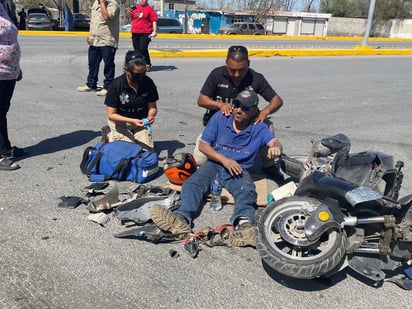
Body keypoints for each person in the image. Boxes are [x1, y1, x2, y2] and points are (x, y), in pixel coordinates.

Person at [150, 90, 283, 247]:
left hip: (238, 169)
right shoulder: (220, 118)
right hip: (215, 163)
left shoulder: (258, 127)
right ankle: (181, 219)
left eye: (245, 108)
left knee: (246, 190)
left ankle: (245, 226)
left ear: (254, 111)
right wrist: (224, 160)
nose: (239, 110)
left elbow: (274, 142)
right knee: (192, 184)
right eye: (237, 105)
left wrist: (275, 148)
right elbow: (203, 145)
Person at [194, 45, 284, 182]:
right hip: (221, 124)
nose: (236, 74)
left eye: (241, 70)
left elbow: (277, 100)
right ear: (226, 63)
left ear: (248, 64)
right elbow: (201, 100)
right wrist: (219, 105)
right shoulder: (217, 75)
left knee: (267, 127)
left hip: (247, 122)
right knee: (200, 159)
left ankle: (268, 165)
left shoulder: (256, 78)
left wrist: (265, 112)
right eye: (232, 70)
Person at [104, 50, 158, 151]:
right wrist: (132, 121)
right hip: (121, 122)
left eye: (143, 73)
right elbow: (111, 114)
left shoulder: (148, 83)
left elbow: (153, 107)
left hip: (140, 122)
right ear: (127, 71)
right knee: (128, 151)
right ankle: (109, 134)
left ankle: (133, 137)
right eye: (137, 75)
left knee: (146, 153)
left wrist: (150, 116)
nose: (141, 77)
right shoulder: (116, 85)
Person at [77, 0, 119, 96]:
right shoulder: (96, 3)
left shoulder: (113, 4)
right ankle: (91, 84)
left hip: (107, 40)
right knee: (92, 63)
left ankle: (108, 87)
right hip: (95, 40)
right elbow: (94, 21)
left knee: (108, 65)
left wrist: (102, 3)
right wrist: (90, 35)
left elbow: (106, 17)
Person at [0, 3, 24, 170]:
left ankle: (5, 147)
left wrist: (17, 67)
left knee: (2, 111)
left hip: (8, 71)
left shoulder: (3, 8)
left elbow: (10, 38)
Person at [129, 0, 158, 71]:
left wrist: (154, 31)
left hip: (145, 32)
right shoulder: (135, 8)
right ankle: (139, 65)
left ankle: (147, 63)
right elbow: (131, 18)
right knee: (137, 50)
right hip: (135, 31)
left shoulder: (149, 9)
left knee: (143, 48)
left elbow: (154, 20)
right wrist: (129, 12)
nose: (142, 0)